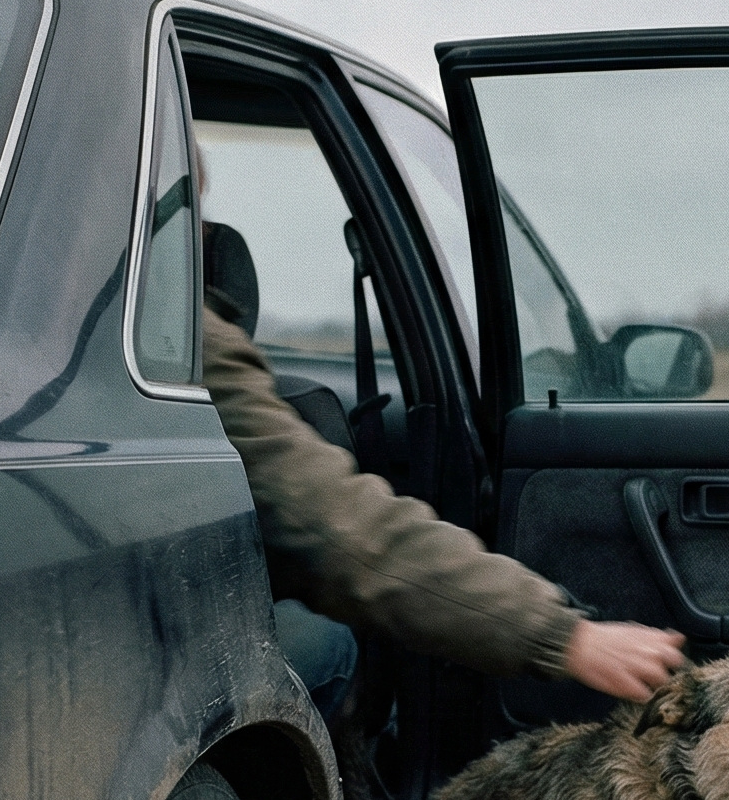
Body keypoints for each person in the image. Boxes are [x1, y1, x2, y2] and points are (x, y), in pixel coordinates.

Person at [199, 248, 687, 724]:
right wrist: (564, 637)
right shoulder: (194, 343)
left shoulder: (166, 336)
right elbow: (345, 536)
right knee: (327, 643)